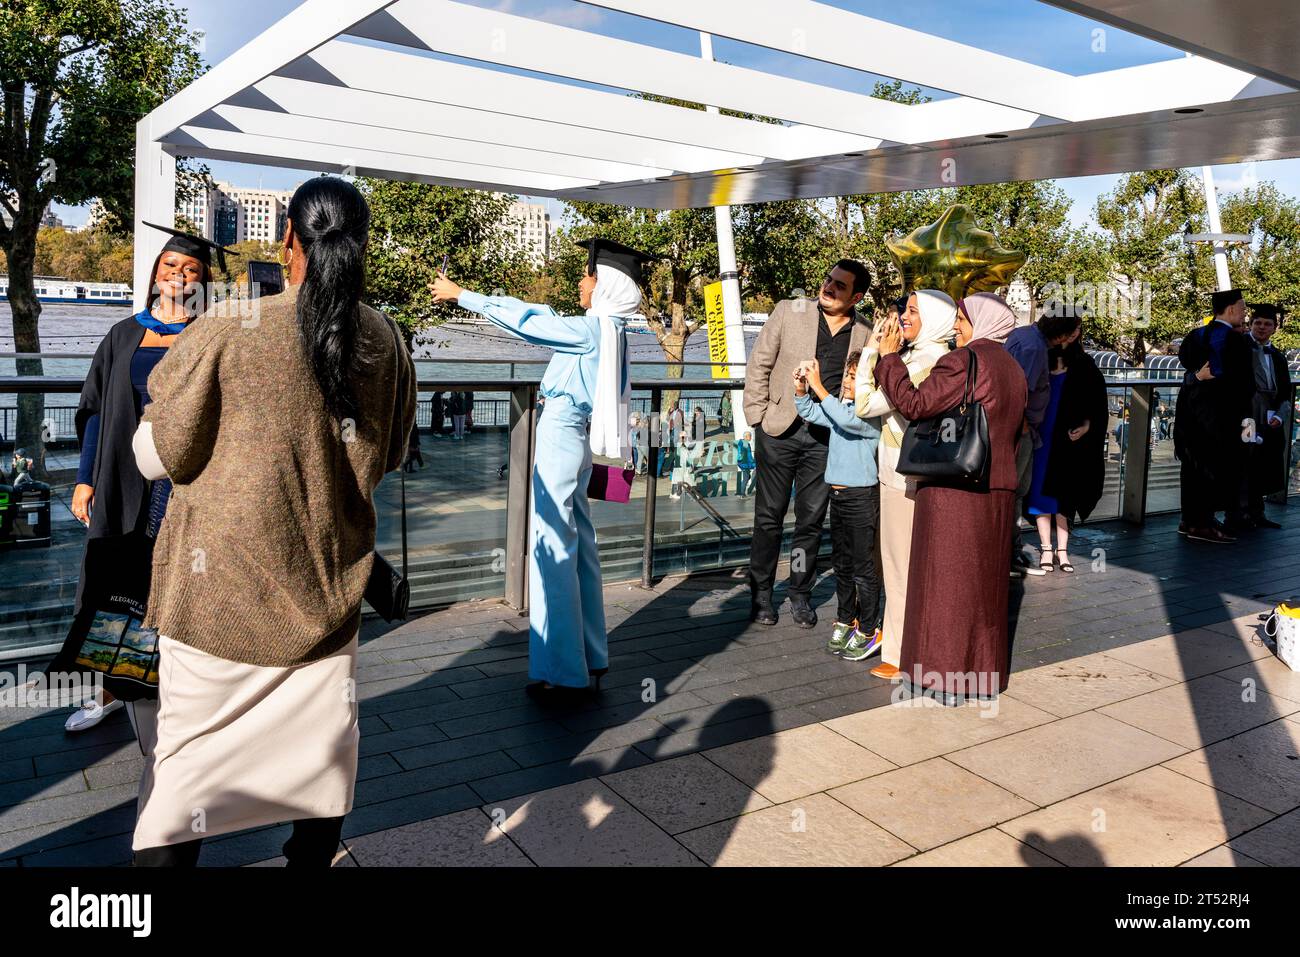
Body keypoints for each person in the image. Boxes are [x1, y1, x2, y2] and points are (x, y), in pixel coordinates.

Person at [130, 175, 416, 866]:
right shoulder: (386, 342)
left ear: (289, 236)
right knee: (317, 787)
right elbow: (393, 453)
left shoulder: (230, 328)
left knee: (180, 797)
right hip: (324, 605)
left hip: (215, 608)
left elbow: (153, 456)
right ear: (361, 246)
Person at [431, 237, 645, 703]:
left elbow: (530, 323)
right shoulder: (612, 331)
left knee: (552, 544)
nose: (581, 281)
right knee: (579, 544)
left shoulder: (591, 331)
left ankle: (562, 672)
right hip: (579, 437)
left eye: (588, 276)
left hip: (561, 430)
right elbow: (540, 312)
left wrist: (462, 295)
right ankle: (589, 656)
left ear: (605, 285)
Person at [49, 223, 236, 736]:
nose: (178, 275)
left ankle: (182, 691)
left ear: (202, 281)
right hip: (120, 483)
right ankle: (110, 691)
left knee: (178, 586)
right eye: (170, 266)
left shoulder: (212, 334)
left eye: (190, 269)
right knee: (113, 586)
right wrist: (85, 480)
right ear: (155, 273)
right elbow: (93, 413)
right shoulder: (123, 334)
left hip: (181, 485)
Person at [874, 292, 1028, 705]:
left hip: (955, 490)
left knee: (945, 583)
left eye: (963, 318)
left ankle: (942, 678)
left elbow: (915, 404)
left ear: (979, 322)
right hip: (997, 488)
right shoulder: (1013, 367)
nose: (958, 326)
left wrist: (888, 359)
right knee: (984, 587)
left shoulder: (962, 361)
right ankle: (978, 675)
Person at [743, 260, 872, 627]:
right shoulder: (789, 311)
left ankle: (800, 593)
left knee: (811, 521)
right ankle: (761, 593)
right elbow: (759, 365)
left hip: (825, 437)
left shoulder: (865, 331)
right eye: (828, 279)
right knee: (768, 518)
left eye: (839, 286)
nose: (828, 287)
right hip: (778, 430)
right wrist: (758, 417)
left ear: (856, 296)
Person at [854, 289, 956, 679]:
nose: (903, 317)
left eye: (914, 311)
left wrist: (872, 352)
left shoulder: (921, 361)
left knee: (898, 566)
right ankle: (914, 648)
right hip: (911, 474)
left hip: (901, 476)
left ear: (934, 319)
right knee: (907, 563)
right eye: (905, 309)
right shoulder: (929, 356)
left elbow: (864, 405)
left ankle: (898, 654)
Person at [794, 353, 882, 662]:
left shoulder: (869, 415)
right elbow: (811, 412)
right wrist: (802, 389)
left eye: (855, 377)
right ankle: (846, 619)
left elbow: (844, 420)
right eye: (847, 374)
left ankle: (870, 629)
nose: (846, 380)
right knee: (843, 566)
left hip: (861, 497)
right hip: (839, 497)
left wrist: (818, 386)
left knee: (863, 569)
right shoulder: (841, 407)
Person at [1004, 305, 1085, 578]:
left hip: (1025, 429)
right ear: (1063, 334)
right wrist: (1023, 424)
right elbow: (1020, 391)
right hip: (1022, 430)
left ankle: (1012, 552)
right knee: (1016, 492)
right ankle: (1010, 555)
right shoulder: (1035, 350)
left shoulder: (1022, 335)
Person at [1175, 289, 1255, 543]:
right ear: (1230, 309)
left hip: (1190, 412)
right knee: (1213, 470)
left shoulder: (1195, 335)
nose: (1244, 313)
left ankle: (1190, 520)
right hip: (1220, 418)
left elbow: (1186, 363)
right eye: (1242, 308)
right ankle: (1203, 524)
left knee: (1191, 469)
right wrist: (1246, 420)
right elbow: (1243, 385)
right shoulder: (1235, 341)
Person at [1036, 337, 1108, 564]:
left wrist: (1087, 425)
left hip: (1066, 441)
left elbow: (1097, 405)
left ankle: (1062, 551)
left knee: (1064, 495)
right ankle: (1047, 548)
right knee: (1040, 496)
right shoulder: (1041, 359)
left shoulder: (1084, 364)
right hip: (1042, 437)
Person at [1242, 304, 1291, 528]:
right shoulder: (1240, 349)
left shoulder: (1279, 357)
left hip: (1270, 416)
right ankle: (1240, 514)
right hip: (1246, 416)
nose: (1262, 327)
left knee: (1264, 462)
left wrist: (1280, 416)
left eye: (1267, 324)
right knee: (1244, 460)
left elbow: (1286, 392)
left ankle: (1257, 513)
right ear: (1250, 325)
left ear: (1275, 328)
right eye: (1258, 323)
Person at [736, 430, 756, 496]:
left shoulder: (743, 442)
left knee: (747, 477)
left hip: (743, 463)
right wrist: (753, 463)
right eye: (750, 436)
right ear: (746, 437)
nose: (751, 437)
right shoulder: (745, 444)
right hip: (744, 464)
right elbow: (748, 456)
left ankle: (740, 491)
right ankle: (742, 493)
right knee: (746, 478)